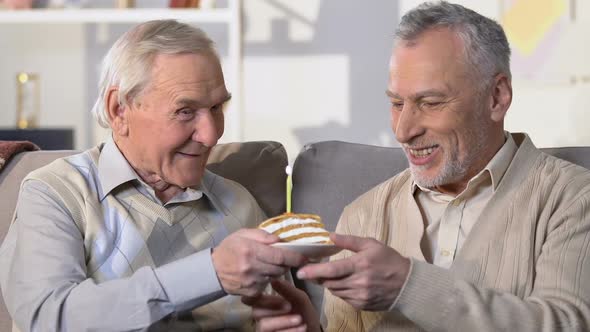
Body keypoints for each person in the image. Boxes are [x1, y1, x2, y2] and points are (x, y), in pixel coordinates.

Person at [243, 2, 590, 331]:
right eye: (397, 103)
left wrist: (408, 286)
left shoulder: (573, 198)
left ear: (497, 97)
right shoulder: (362, 216)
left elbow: (569, 323)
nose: (403, 130)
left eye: (430, 102)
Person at [0, 20, 306, 331]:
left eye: (216, 108)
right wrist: (209, 272)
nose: (211, 134)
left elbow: (283, 315)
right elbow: (48, 317)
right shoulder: (56, 193)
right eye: (185, 111)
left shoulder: (239, 203)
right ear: (119, 109)